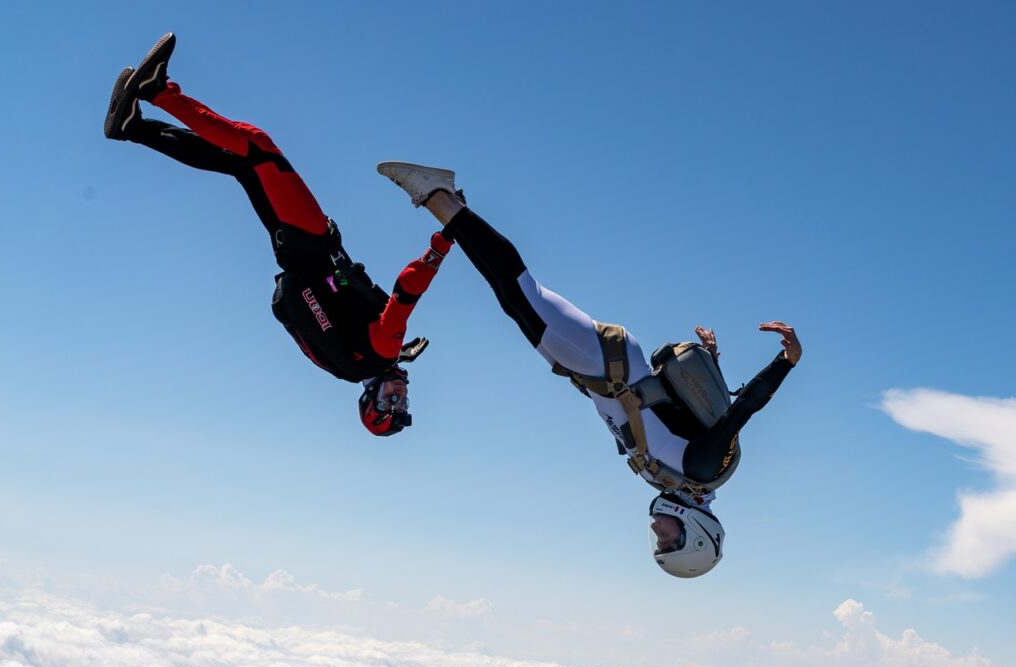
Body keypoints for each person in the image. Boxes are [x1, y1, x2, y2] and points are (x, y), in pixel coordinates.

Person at [377, 163, 802, 577]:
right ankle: (438, 197)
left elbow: (670, 416)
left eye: (659, 543)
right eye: (669, 541)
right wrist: (785, 363)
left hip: (593, 373)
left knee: (513, 299)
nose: (657, 531)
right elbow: (740, 412)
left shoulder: (674, 484)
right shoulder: (703, 472)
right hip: (610, 363)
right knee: (522, 291)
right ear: (696, 535)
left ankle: (451, 206)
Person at [104, 34, 452, 436]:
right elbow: (345, 319)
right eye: (403, 402)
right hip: (296, 253)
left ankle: (158, 91)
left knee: (258, 149)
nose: (401, 395)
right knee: (241, 164)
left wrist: (442, 244)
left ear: (369, 398)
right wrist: (394, 351)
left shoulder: (380, 351)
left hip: (314, 242)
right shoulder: (353, 366)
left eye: (391, 402)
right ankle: (133, 128)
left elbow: (406, 293)